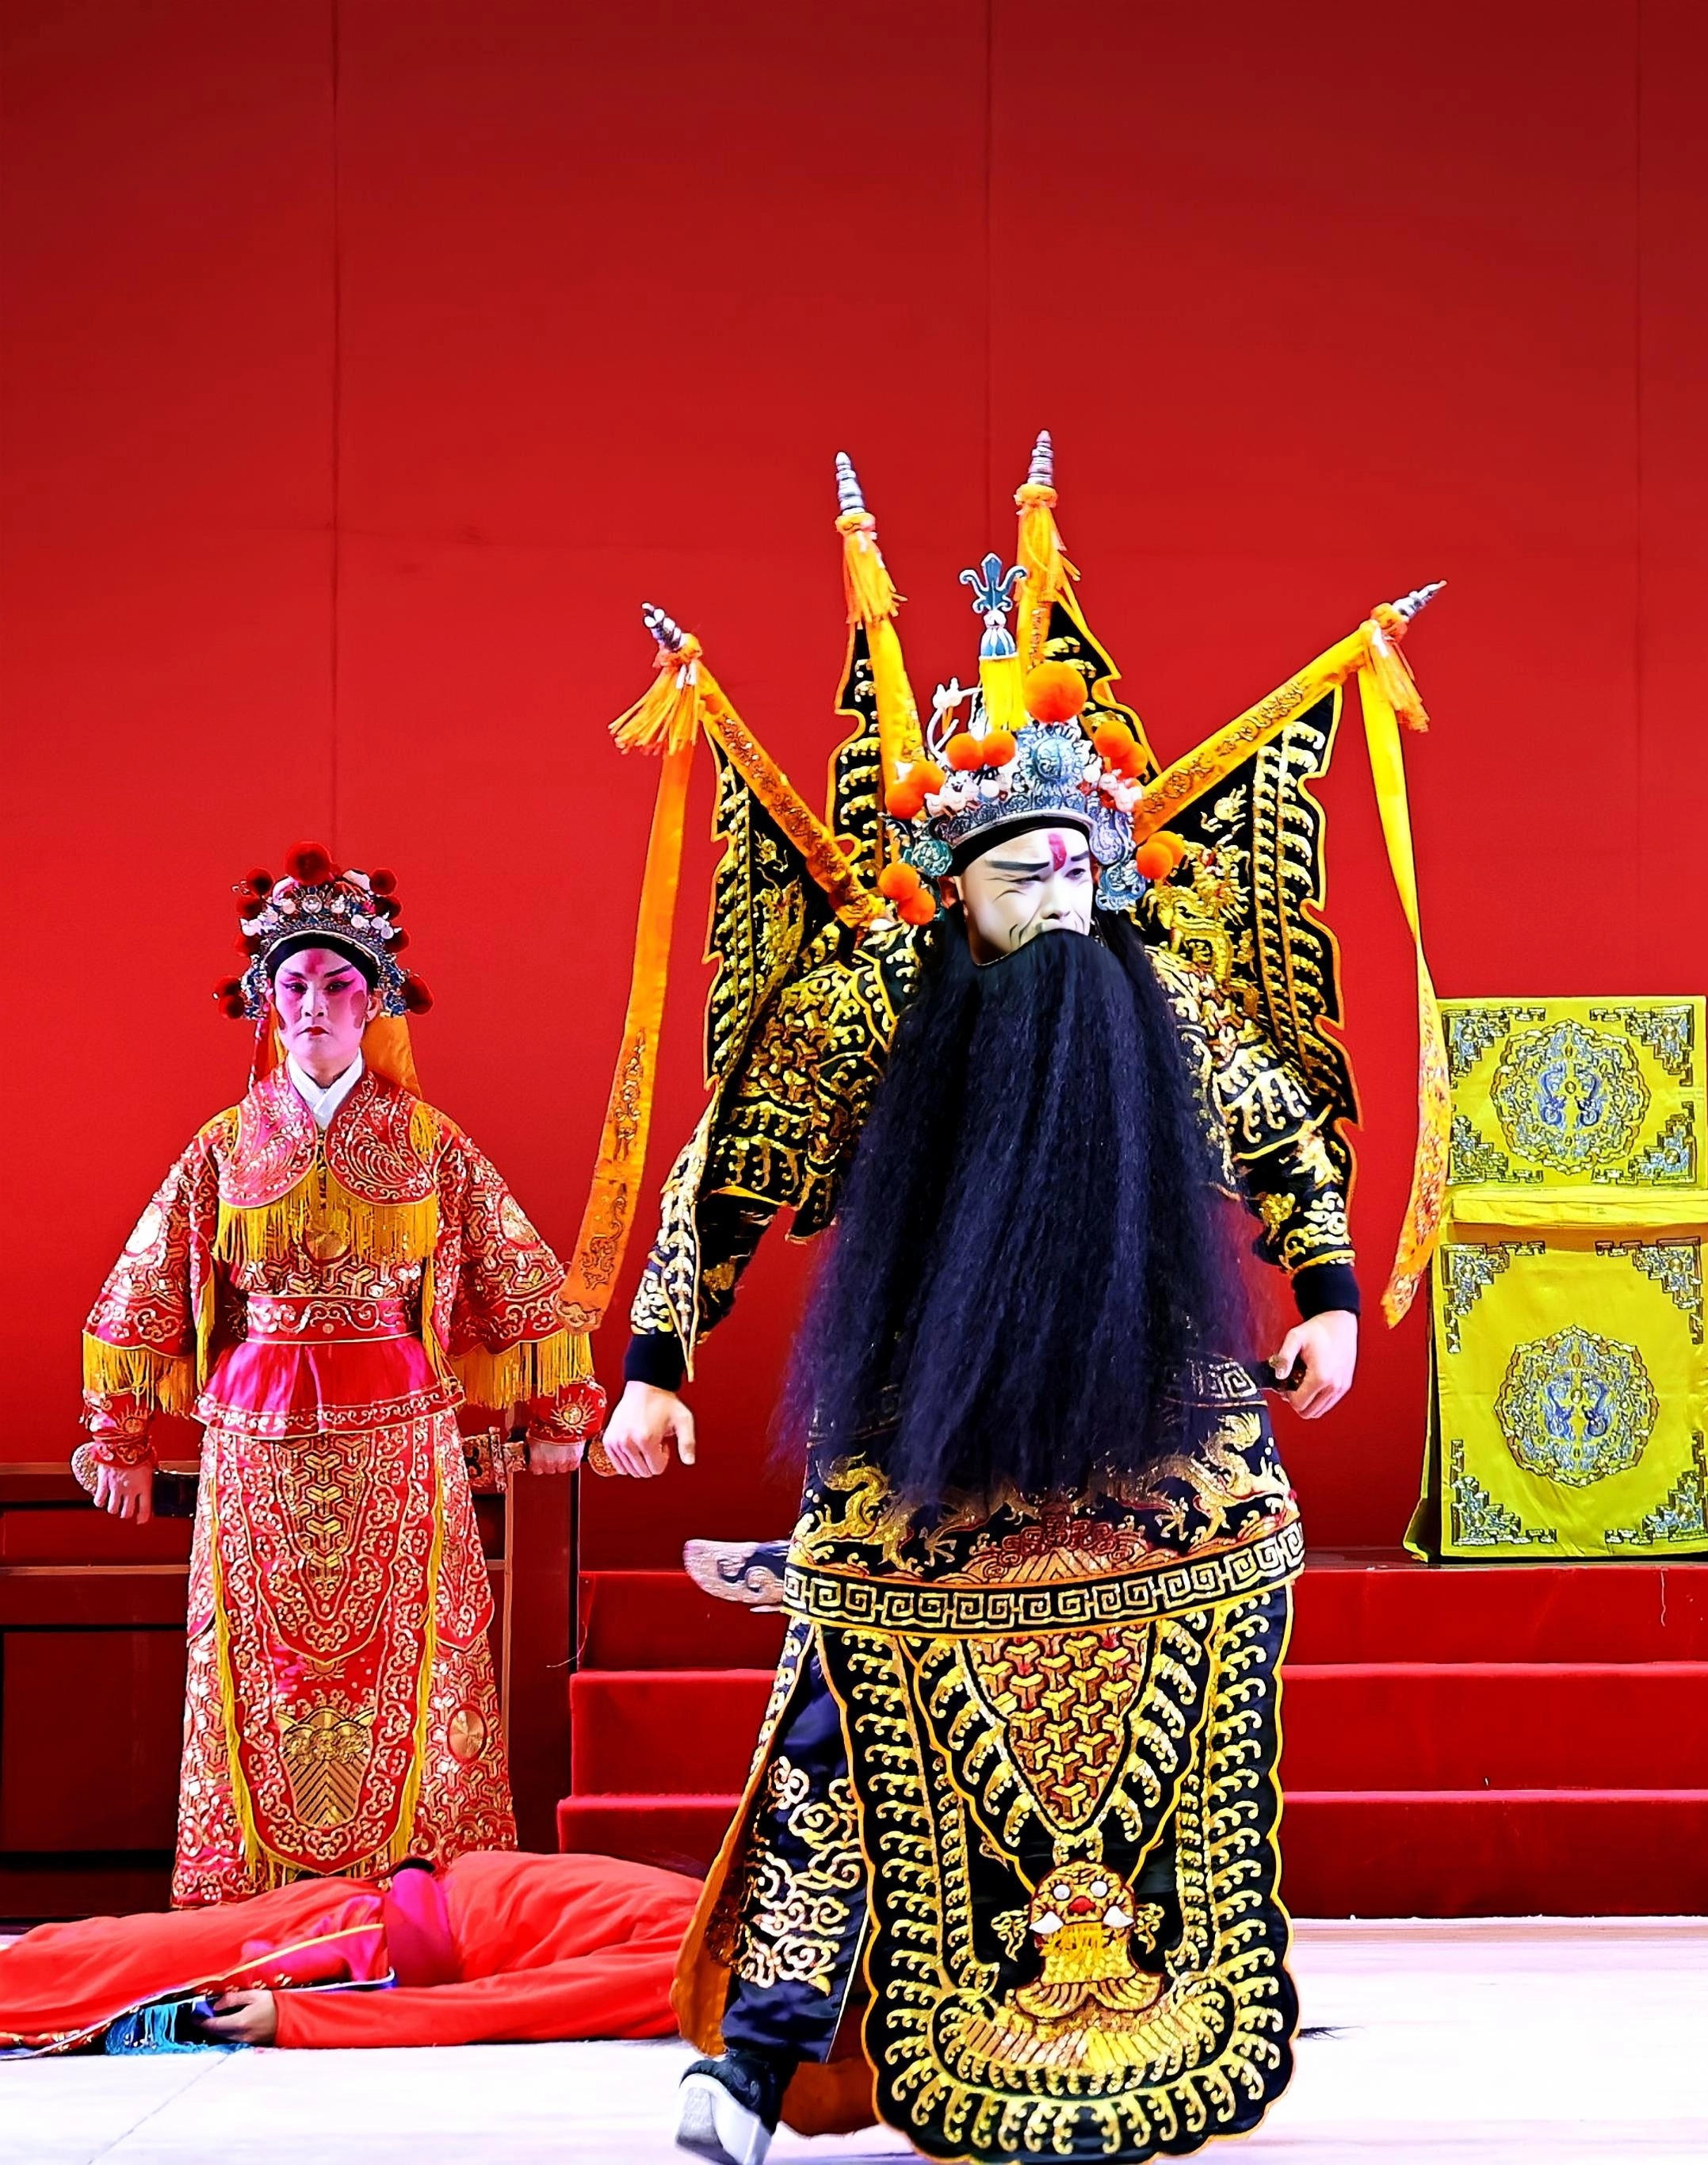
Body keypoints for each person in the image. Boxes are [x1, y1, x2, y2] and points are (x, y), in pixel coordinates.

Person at [586, 445, 1440, 2165]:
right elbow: (731, 1160)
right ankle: (757, 2056)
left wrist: (1332, 1296)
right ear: (956, 888)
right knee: (840, 1712)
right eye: (1020, 879)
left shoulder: (1156, 989)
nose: (1057, 905)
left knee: (1211, 1659)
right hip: (929, 1405)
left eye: (1076, 874)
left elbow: (1281, 1131)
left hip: (1156, 1403)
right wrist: (660, 1360)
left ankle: (1151, 1996)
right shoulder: (867, 1003)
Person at [78, 848, 633, 1907]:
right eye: (294, 985)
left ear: (374, 1001)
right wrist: (120, 1438)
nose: (316, 1006)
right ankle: (249, 1902)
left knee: (417, 1658)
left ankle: (431, 1896)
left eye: (338, 985)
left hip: (406, 1440)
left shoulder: (430, 1143)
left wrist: (565, 1413)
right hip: (254, 1447)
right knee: (256, 1663)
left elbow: (517, 1271)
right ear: (265, 1002)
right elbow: (141, 1289)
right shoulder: (225, 1147)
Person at [0, 1849, 699, 2055]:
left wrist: (298, 2019)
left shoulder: (698, 1950)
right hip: (362, 1920)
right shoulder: (708, 1917)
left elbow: (502, 2008)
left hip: (358, 1948)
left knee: (107, 1971)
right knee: (105, 1958)